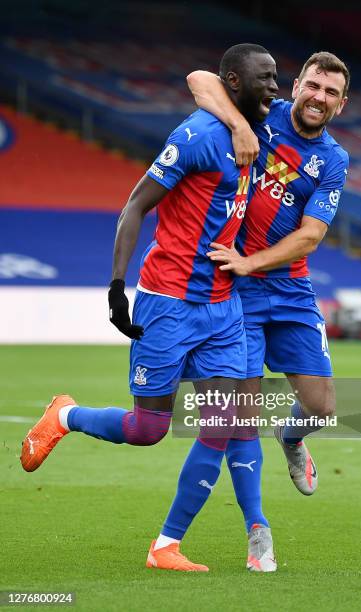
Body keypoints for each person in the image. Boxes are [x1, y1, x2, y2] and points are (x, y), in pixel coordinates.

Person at [20, 44, 279, 573]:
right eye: (266, 78)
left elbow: (210, 81)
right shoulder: (198, 137)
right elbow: (136, 203)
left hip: (224, 306)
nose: (276, 88)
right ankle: (64, 416)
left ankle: (166, 545)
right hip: (169, 303)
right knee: (148, 429)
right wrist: (117, 285)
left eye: (279, 78)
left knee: (223, 422)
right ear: (235, 81)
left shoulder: (261, 130)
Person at [187, 51, 349, 496]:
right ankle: (257, 528)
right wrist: (239, 126)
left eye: (331, 93)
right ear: (297, 86)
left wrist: (251, 261)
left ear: (341, 104)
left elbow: (310, 236)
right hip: (239, 293)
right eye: (313, 86)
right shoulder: (260, 112)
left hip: (291, 287)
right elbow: (199, 78)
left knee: (321, 408)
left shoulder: (333, 160)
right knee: (243, 414)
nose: (319, 97)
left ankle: (292, 436)